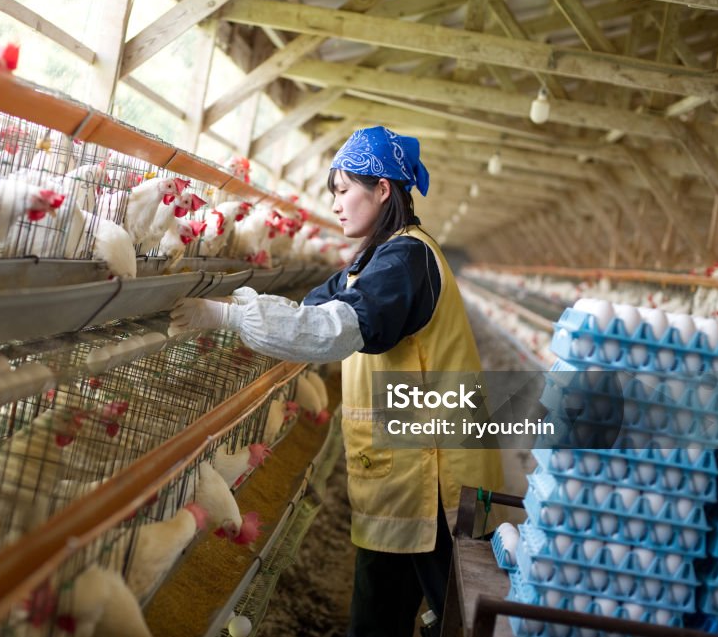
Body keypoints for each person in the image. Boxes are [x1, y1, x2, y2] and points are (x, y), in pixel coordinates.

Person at [170, 126, 503, 637]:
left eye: (344, 189)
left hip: (436, 482)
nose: (336, 204)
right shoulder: (372, 261)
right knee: (385, 617)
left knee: (455, 619)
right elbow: (310, 309)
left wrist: (228, 318)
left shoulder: (406, 259)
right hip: (402, 476)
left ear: (384, 189)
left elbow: (335, 328)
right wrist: (226, 305)